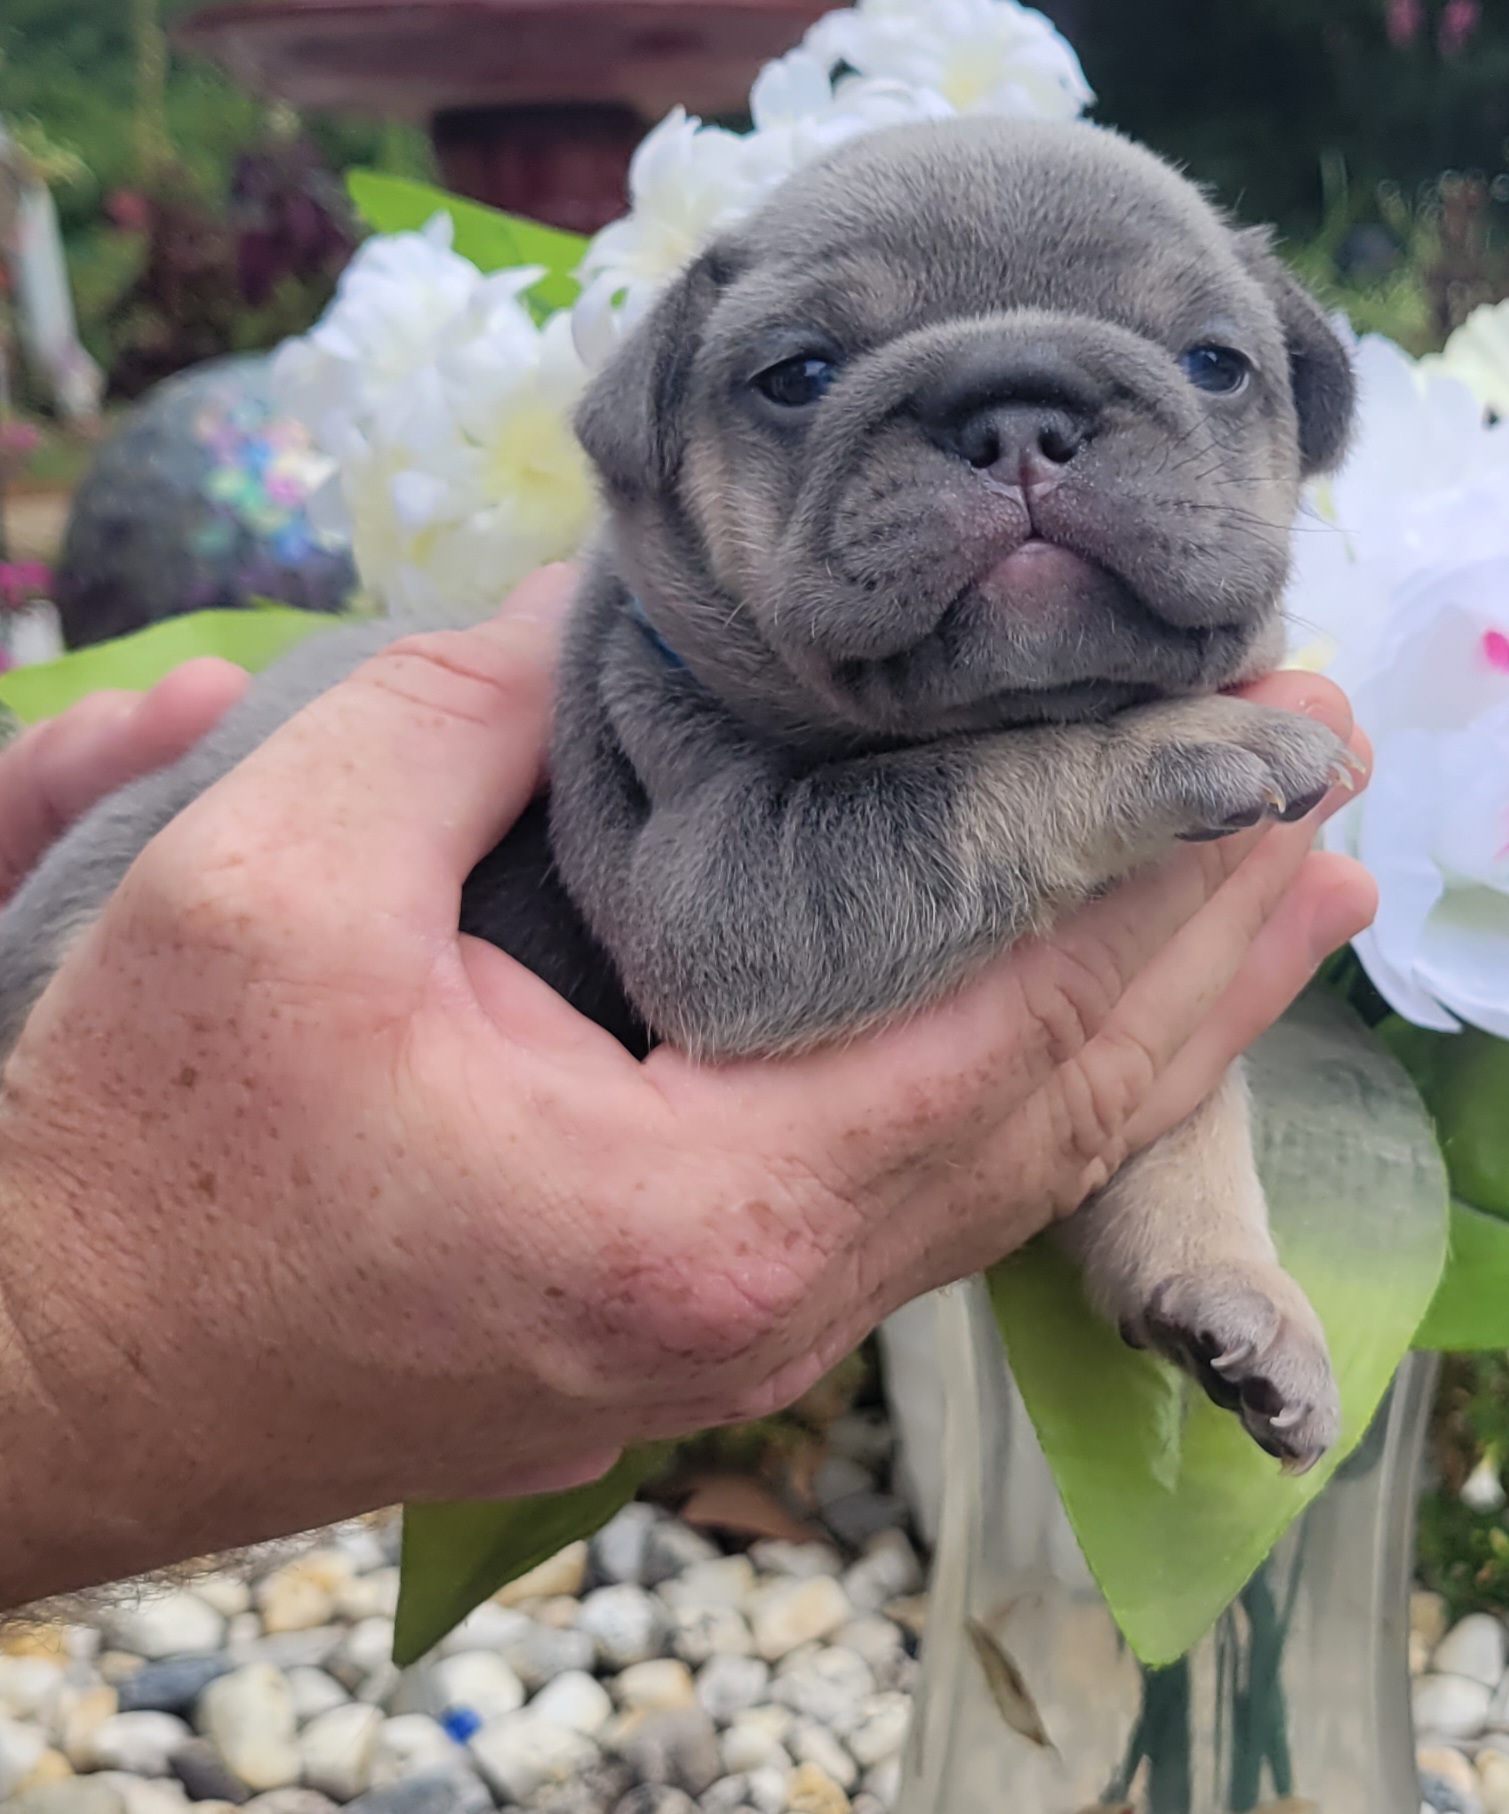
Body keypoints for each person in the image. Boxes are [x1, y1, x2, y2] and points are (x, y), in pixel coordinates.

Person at [0, 565, 1375, 1610]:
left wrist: (1203, 1243)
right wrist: (64, 1356)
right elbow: (741, 966)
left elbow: (1112, 1025)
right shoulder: (667, 676)